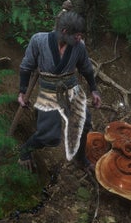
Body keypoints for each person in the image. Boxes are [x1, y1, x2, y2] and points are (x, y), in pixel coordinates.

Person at [17, 10, 101, 172]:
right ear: (64, 32)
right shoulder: (38, 41)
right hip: (49, 90)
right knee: (50, 137)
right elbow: (26, 67)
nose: (80, 38)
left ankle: (80, 158)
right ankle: (26, 150)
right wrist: (22, 91)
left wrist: (94, 90)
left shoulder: (79, 47)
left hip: (71, 88)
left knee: (84, 122)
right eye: (76, 35)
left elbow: (87, 69)